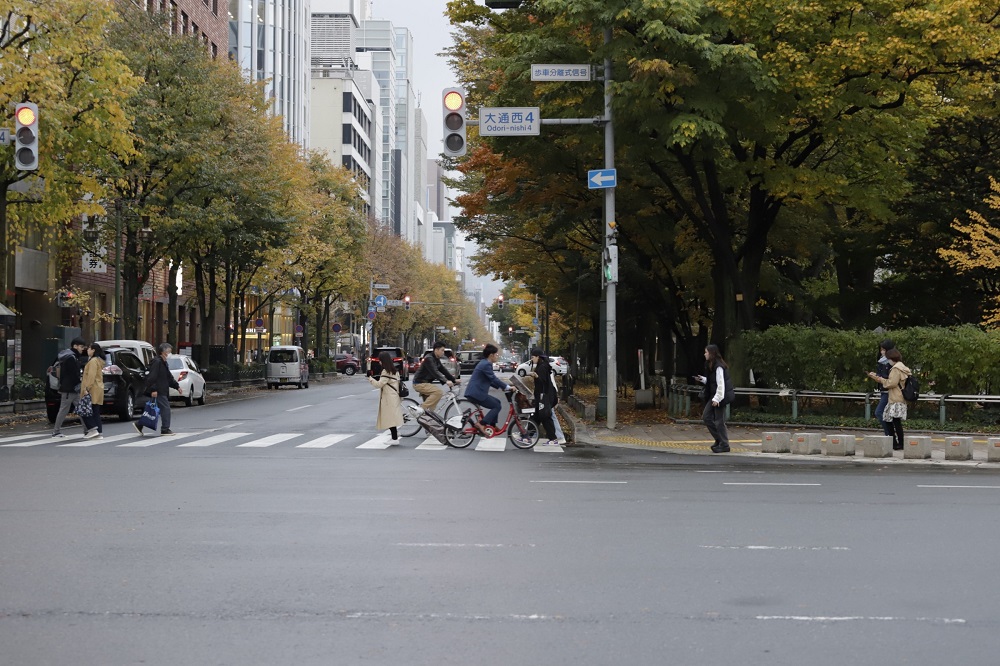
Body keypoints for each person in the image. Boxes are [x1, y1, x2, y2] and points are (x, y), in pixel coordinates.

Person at [463, 344, 514, 436]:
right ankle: (481, 424)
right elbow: (493, 378)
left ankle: (492, 426)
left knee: (497, 402)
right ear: (491, 355)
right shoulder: (486, 364)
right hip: (476, 393)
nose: (497, 356)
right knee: (497, 406)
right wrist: (507, 387)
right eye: (496, 354)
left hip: (475, 392)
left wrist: (503, 387)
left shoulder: (484, 362)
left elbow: (490, 380)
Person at [868, 348, 911, 450]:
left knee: (893, 420)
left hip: (896, 397)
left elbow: (891, 383)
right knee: (891, 419)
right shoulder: (902, 367)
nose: (888, 361)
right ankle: (896, 443)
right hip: (898, 397)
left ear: (892, 358)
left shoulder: (896, 369)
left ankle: (897, 443)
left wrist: (878, 379)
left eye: (888, 359)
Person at [135, 342, 181, 436]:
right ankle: (165, 429)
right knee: (165, 409)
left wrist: (177, 386)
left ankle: (139, 424)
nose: (170, 354)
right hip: (159, 390)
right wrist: (153, 389)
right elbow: (152, 377)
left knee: (151, 410)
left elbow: (169, 377)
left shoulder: (163, 363)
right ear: (164, 352)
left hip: (161, 390)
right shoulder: (157, 362)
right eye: (169, 351)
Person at [696, 344, 734, 453]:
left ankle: (724, 444)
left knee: (719, 421)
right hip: (714, 395)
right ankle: (719, 440)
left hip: (719, 396)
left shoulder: (718, 367)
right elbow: (713, 381)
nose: (705, 354)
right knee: (707, 417)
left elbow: (721, 384)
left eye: (706, 352)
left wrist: (717, 398)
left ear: (711, 353)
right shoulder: (712, 365)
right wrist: (703, 379)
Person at [51, 337, 87, 437]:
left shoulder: (70, 356)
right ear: (75, 346)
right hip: (70, 388)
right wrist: (79, 383)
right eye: (81, 347)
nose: (82, 349)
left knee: (80, 409)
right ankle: (56, 431)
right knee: (65, 410)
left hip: (71, 388)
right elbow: (73, 374)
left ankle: (87, 430)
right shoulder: (71, 358)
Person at [367, 350, 403, 444]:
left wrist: (370, 378)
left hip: (389, 398)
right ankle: (395, 436)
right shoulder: (394, 370)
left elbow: (379, 384)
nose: (379, 362)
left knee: (389, 418)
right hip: (394, 396)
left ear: (383, 361)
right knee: (391, 417)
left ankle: (394, 439)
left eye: (380, 360)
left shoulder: (386, 371)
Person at [412, 341, 459, 413]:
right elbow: (435, 372)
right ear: (436, 350)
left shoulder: (436, 358)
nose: (443, 352)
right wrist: (446, 381)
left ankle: (426, 417)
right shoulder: (429, 358)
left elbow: (443, 370)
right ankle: (420, 409)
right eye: (442, 350)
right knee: (438, 392)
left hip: (426, 383)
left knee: (430, 409)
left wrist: (453, 380)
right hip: (419, 383)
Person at [529, 347, 559, 446]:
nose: (532, 359)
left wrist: (536, 376)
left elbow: (543, 382)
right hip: (544, 396)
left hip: (544, 396)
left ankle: (553, 439)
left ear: (538, 357)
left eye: (533, 357)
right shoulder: (543, 366)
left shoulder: (542, 367)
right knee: (536, 416)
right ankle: (527, 436)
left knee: (545, 417)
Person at [80, 342, 106, 440]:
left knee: (84, 410)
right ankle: (99, 432)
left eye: (89, 348)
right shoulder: (98, 361)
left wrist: (86, 388)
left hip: (92, 389)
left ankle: (92, 430)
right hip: (97, 388)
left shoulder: (93, 361)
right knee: (95, 411)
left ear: (93, 350)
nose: (87, 350)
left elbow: (91, 376)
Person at [872, 339, 896, 438]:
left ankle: (890, 434)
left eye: (884, 349)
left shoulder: (891, 362)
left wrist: (879, 378)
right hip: (883, 390)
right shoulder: (881, 361)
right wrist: (875, 375)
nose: (882, 351)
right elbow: (881, 375)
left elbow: (890, 378)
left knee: (879, 412)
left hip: (889, 391)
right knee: (886, 414)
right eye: (881, 349)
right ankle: (890, 435)